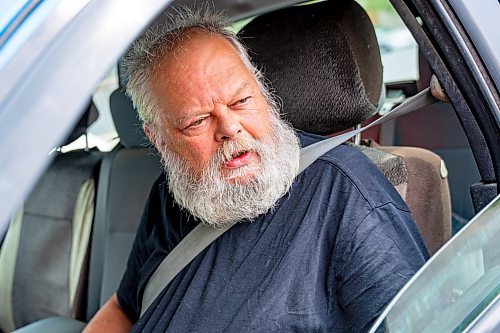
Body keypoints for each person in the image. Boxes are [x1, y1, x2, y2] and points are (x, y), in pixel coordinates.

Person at [84, 7, 428, 333]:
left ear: (264, 93)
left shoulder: (344, 190)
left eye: (241, 101)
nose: (230, 128)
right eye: (198, 121)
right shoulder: (171, 192)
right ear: (157, 139)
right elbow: (125, 306)